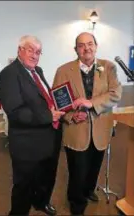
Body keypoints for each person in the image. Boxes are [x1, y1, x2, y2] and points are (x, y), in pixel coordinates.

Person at [52, 32, 122, 215]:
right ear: (76, 50)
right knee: (77, 171)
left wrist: (91, 103)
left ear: (96, 46)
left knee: (94, 167)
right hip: (76, 131)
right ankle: (77, 203)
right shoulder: (63, 70)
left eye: (90, 44)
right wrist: (70, 117)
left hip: (101, 129)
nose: (86, 48)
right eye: (81, 45)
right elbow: (58, 103)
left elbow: (115, 94)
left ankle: (89, 189)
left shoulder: (108, 67)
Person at [0, 35, 65, 216]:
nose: (35, 55)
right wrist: (48, 116)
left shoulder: (38, 70)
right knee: (24, 186)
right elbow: (15, 111)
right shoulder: (9, 74)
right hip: (26, 144)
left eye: (38, 52)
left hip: (49, 138)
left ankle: (42, 202)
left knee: (46, 178)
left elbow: (45, 98)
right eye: (30, 50)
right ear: (20, 50)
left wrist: (61, 106)